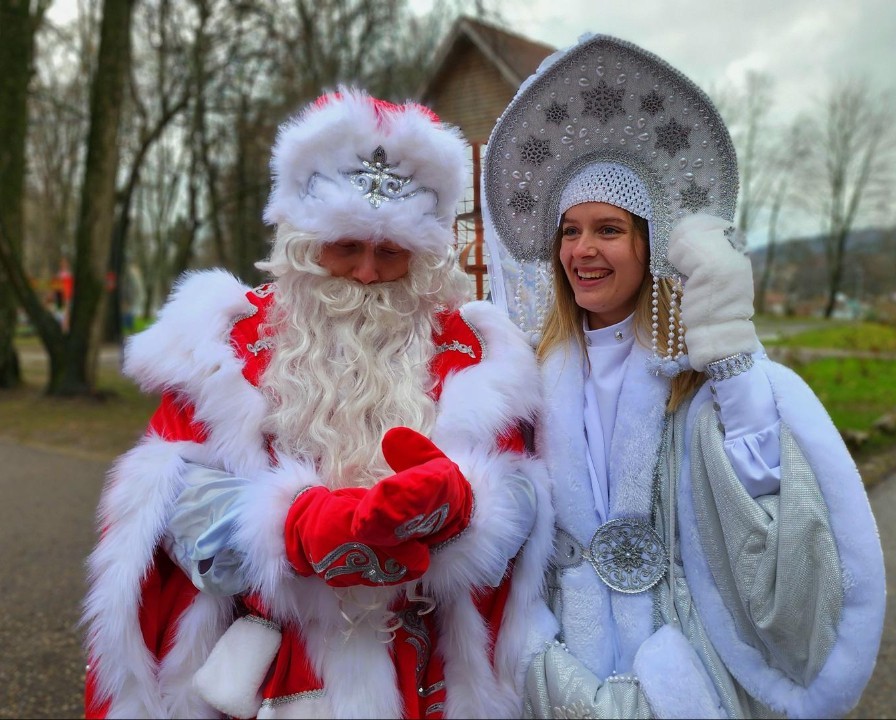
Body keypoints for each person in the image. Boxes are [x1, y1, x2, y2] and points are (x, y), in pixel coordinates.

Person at [82, 89, 554, 719]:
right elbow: (165, 504)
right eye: (346, 246)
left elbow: (524, 499)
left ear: (423, 258)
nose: (367, 273)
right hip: (268, 669)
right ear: (305, 242)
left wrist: (464, 509)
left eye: (391, 253)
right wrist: (292, 527)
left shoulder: (473, 352)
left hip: (421, 670)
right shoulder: (229, 344)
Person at [481, 34, 886, 719]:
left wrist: (732, 358)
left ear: (650, 244)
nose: (582, 250)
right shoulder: (527, 375)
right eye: (570, 231)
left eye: (608, 230)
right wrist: (531, 646)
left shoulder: (696, 376)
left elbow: (765, 507)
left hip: (680, 662)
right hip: (557, 665)